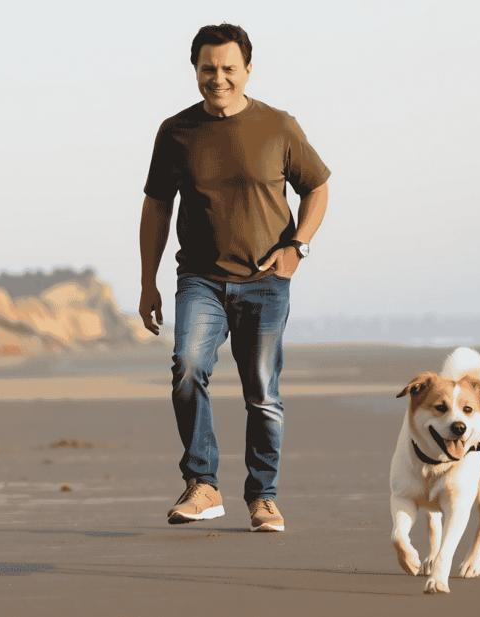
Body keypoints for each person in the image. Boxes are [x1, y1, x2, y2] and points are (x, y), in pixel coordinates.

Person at [138, 23, 330, 532]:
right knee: (187, 366)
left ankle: (263, 497)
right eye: (208, 69)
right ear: (195, 71)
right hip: (200, 279)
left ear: (247, 70)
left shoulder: (278, 126)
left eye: (228, 68)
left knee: (262, 391)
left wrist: (298, 247)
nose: (217, 78)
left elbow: (318, 188)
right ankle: (202, 484)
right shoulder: (175, 132)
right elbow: (156, 208)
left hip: (266, 280)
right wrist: (147, 281)